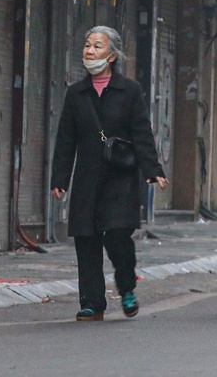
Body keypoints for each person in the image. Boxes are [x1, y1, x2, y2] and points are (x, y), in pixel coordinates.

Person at [50, 26, 166, 322]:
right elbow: (66, 139)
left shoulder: (129, 91)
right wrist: (60, 178)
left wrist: (152, 169)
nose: (89, 51)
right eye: (87, 45)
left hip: (120, 178)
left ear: (112, 56)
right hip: (87, 177)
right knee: (86, 239)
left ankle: (127, 289)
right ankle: (92, 302)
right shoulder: (76, 93)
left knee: (118, 236)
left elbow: (142, 133)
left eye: (97, 46)